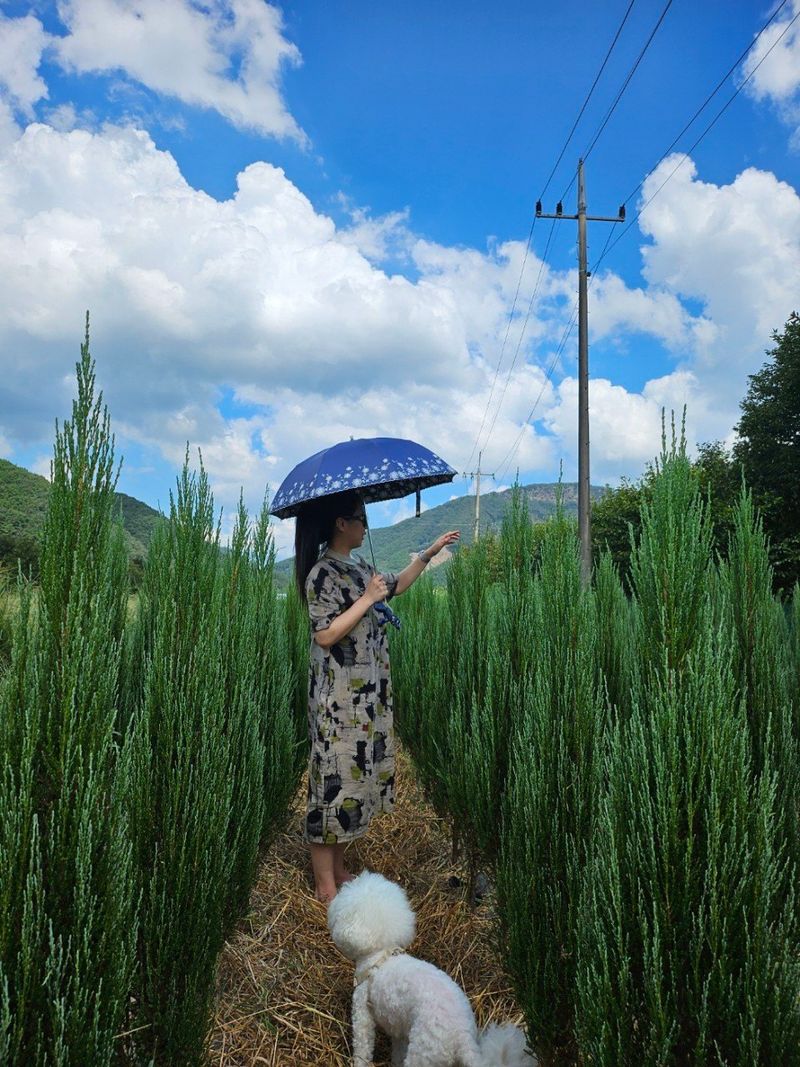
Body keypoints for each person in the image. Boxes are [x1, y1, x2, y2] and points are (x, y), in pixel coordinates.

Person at [294, 489, 460, 903]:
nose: (366, 527)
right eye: (361, 519)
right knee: (331, 785)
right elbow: (325, 634)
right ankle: (324, 884)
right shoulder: (321, 574)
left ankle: (340, 868)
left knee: (354, 784)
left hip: (366, 698)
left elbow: (396, 585)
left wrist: (428, 554)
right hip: (338, 700)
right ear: (341, 524)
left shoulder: (359, 567)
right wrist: (367, 598)